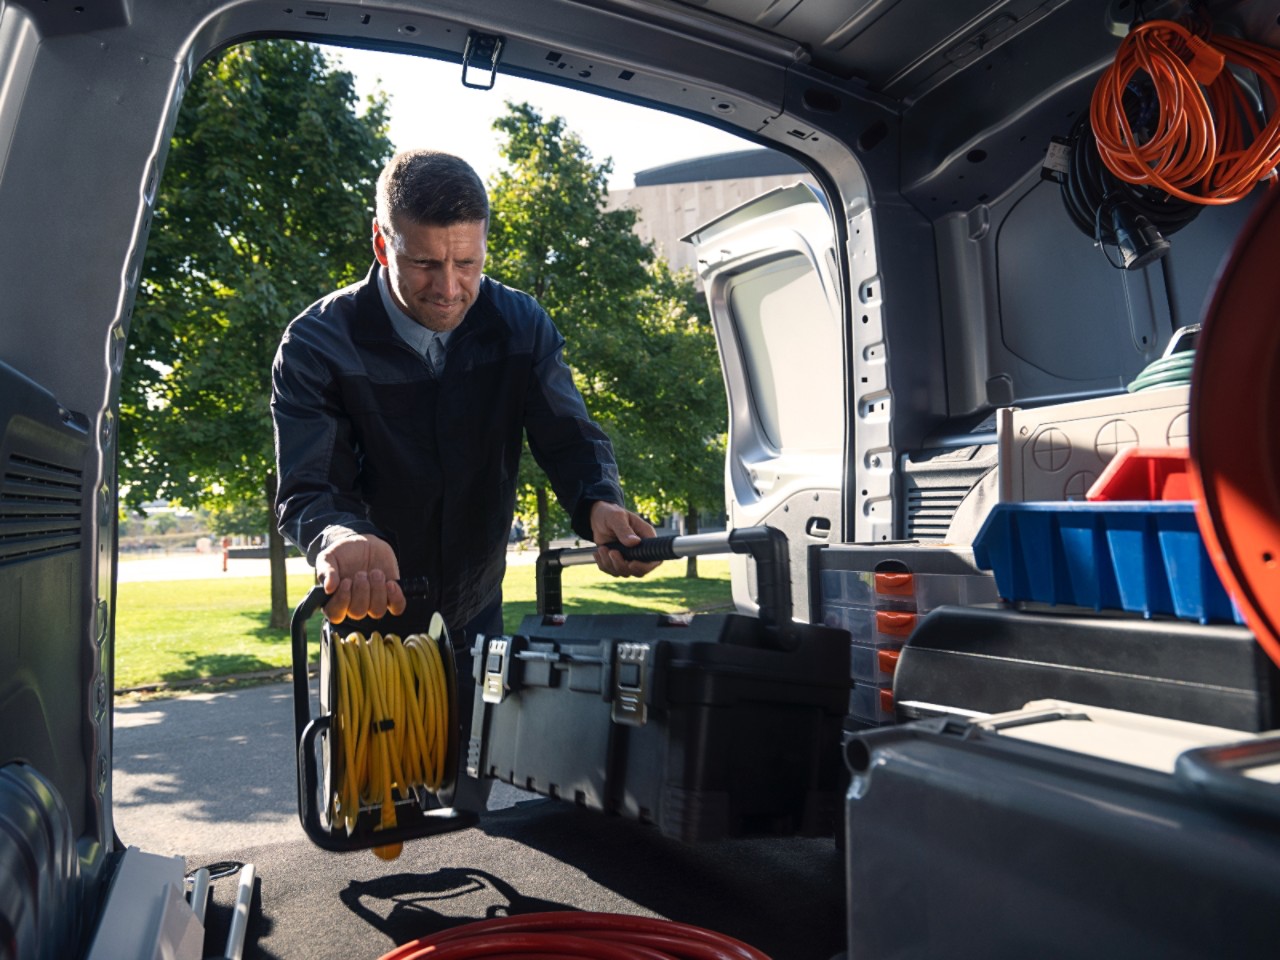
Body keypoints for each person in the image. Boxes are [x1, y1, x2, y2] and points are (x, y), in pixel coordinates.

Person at [270, 149, 658, 648]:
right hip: (367, 621)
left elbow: (570, 438)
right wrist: (342, 536)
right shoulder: (316, 344)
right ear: (382, 245)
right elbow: (311, 486)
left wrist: (600, 503)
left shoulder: (522, 325)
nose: (449, 288)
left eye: (467, 263)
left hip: (478, 613)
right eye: (426, 263)